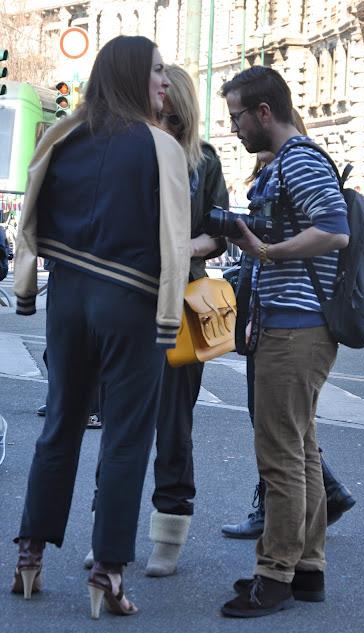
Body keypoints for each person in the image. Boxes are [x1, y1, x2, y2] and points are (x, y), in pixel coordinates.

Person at [11, 35, 191, 620]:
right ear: (134, 75)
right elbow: (173, 245)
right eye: (157, 71)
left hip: (68, 294)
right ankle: (108, 570)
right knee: (126, 436)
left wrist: (24, 286)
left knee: (60, 423)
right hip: (132, 300)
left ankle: (30, 556)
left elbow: (33, 210)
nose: (165, 82)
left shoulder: (63, 135)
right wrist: (169, 316)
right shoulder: (161, 148)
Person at [83, 63, 228, 576]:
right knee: (120, 418)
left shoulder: (203, 160)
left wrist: (185, 245)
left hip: (186, 299)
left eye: (166, 88)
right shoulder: (127, 148)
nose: (158, 92)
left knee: (174, 424)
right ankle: (109, 530)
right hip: (128, 297)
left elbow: (220, 230)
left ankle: (169, 531)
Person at [219, 66, 350, 618]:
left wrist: (266, 252)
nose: (235, 129)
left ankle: (273, 574)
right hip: (288, 321)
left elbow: (334, 229)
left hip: (299, 328)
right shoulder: (280, 164)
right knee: (301, 451)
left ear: (264, 113)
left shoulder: (299, 159)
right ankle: (308, 570)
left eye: (237, 117)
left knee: (279, 455)